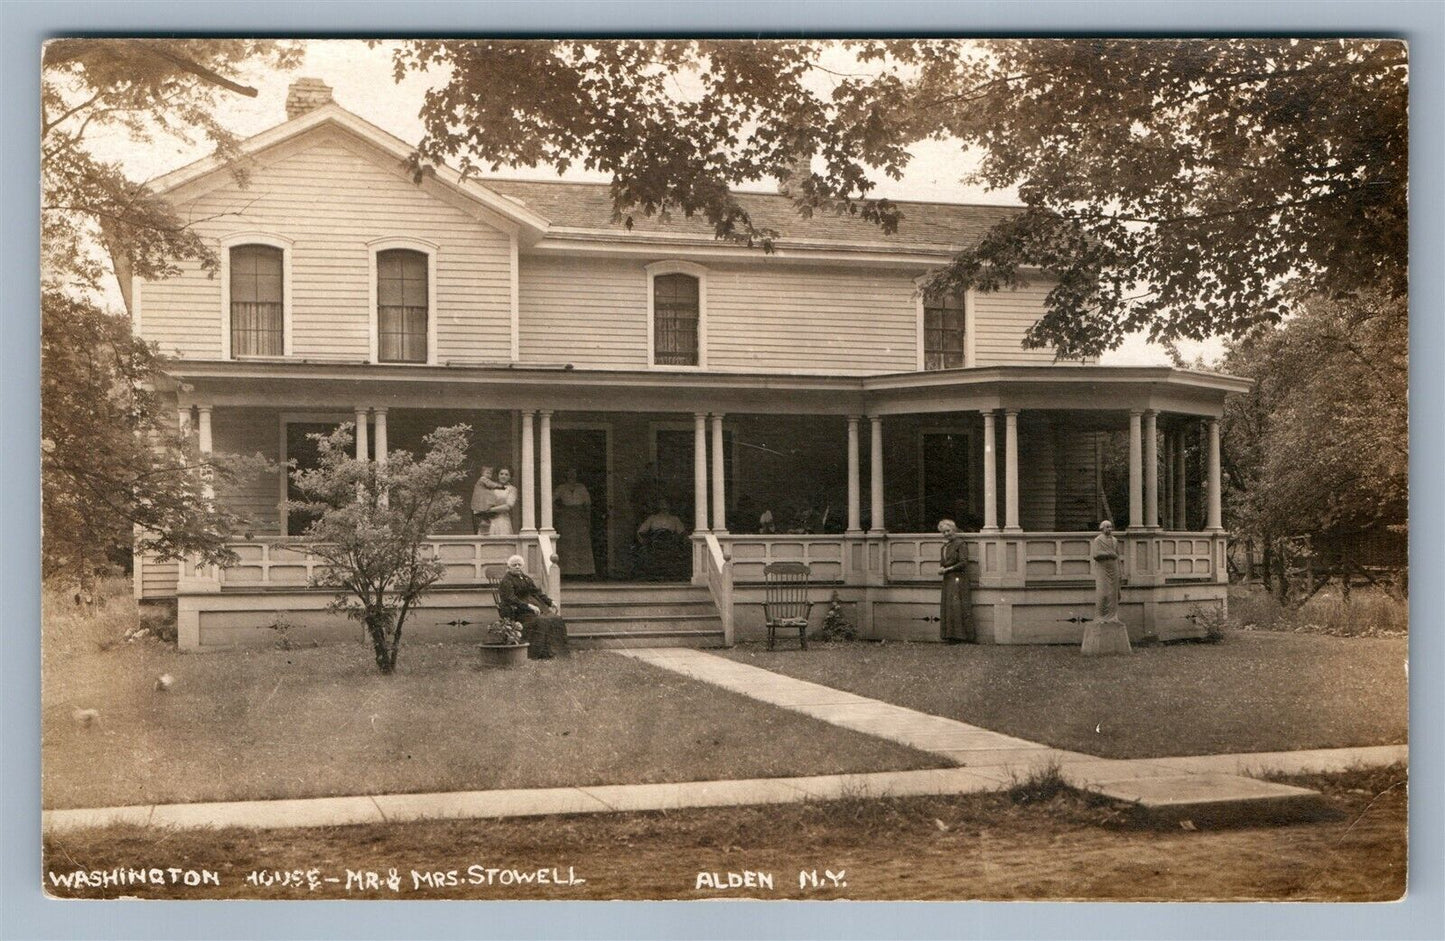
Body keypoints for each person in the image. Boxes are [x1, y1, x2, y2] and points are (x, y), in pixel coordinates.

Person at [497, 554, 569, 659]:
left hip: (535, 606)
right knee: (542, 621)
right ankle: (538, 653)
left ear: (522, 566)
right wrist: (528, 606)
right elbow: (511, 599)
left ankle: (556, 652)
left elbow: (537, 592)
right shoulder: (506, 581)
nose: (517, 567)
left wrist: (549, 601)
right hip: (518, 610)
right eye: (514, 565)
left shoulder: (526, 578)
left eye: (519, 565)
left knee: (556, 618)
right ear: (509, 568)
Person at [937, 518, 975, 643]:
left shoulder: (961, 544)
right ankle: (950, 635)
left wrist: (947, 569)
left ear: (954, 530)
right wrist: (942, 568)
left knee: (957, 606)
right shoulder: (944, 546)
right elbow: (943, 562)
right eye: (943, 532)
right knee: (949, 606)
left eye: (948, 531)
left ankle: (962, 636)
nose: (946, 534)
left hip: (959, 578)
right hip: (948, 578)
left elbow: (964, 562)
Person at [553, 467, 596, 576]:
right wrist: (559, 511)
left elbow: (588, 504)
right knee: (567, 542)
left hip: (579, 516)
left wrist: (587, 518)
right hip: (566, 517)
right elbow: (550, 500)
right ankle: (567, 572)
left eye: (574, 473)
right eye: (569, 473)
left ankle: (583, 572)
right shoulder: (561, 488)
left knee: (581, 543)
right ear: (566, 474)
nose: (572, 475)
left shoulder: (581, 487)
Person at [1091, 519, 1123, 621]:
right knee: (1103, 592)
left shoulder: (1114, 540)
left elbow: (1117, 556)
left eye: (1110, 527)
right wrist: (1109, 554)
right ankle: (1101, 616)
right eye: (1107, 527)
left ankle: (1112, 616)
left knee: (1113, 593)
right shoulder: (1098, 540)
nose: (1109, 529)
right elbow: (1096, 555)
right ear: (1102, 528)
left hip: (1114, 568)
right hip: (1103, 569)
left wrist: (1119, 571)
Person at [475, 467, 518, 535]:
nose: (503, 476)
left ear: (510, 477)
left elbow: (508, 506)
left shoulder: (512, 489)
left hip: (502, 520)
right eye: (501, 474)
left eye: (506, 475)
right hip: (488, 520)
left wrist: (490, 510)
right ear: (498, 475)